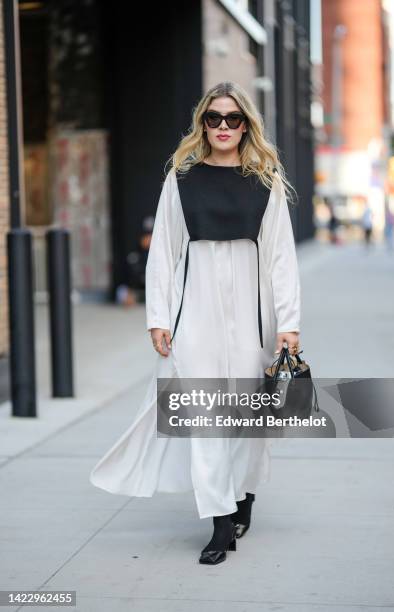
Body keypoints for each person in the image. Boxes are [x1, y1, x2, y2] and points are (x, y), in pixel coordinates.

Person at [89, 81, 301, 565]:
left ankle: (242, 495)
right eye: (214, 118)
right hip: (197, 311)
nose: (223, 127)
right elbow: (163, 252)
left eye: (232, 119)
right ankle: (220, 523)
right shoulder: (180, 179)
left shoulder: (265, 180)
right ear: (201, 124)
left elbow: (282, 259)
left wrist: (288, 323)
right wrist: (159, 317)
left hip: (255, 315)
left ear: (245, 124)